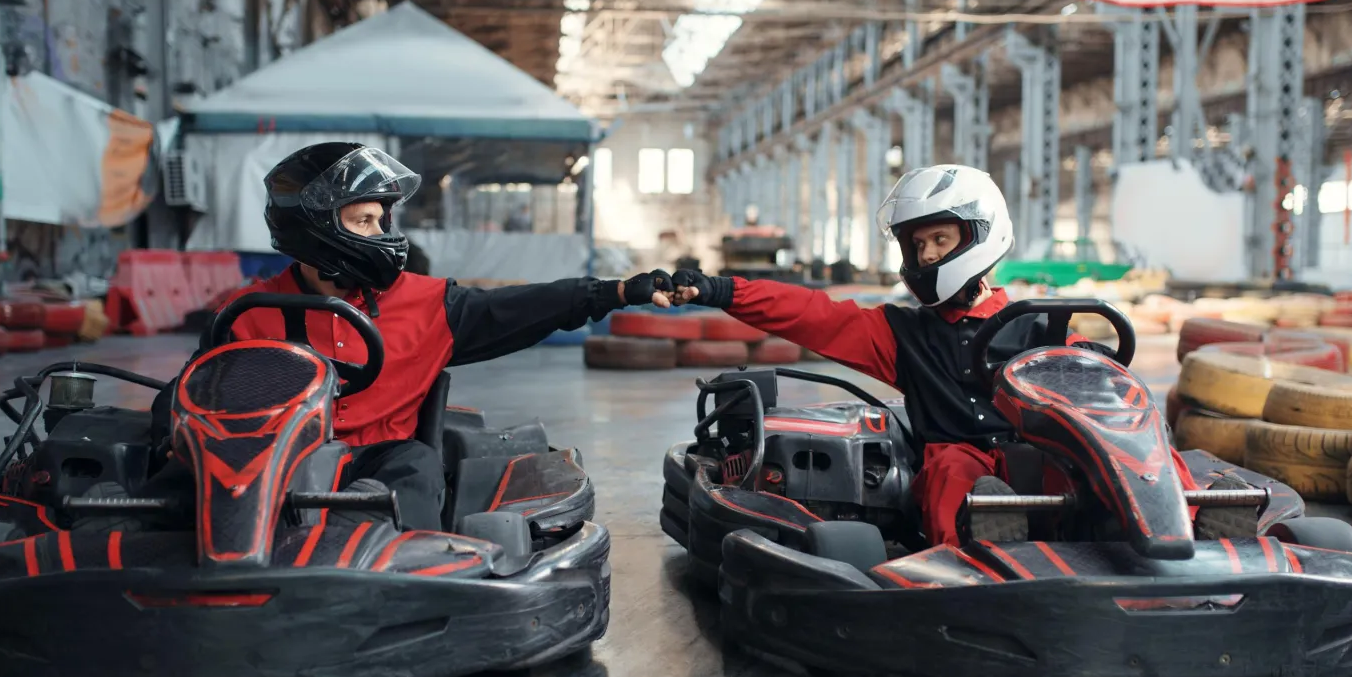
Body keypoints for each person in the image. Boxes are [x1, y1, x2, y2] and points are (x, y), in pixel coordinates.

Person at [90, 142, 673, 534]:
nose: (382, 235)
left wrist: (617, 292)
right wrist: (172, 428)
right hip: (265, 458)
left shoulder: (428, 304)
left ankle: (388, 566)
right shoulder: (247, 312)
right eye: (365, 221)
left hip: (377, 457)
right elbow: (198, 386)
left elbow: (522, 306)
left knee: (415, 468)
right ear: (316, 228)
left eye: (381, 221)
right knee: (177, 476)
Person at [668, 164, 1199, 548]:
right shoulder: (903, 333)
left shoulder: (1046, 327)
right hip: (964, 462)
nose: (926, 257)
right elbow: (811, 314)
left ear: (979, 235)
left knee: (1120, 444)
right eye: (917, 246)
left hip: (1043, 456)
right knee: (950, 470)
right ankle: (977, 552)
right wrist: (720, 290)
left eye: (940, 240)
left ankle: (1190, 523)